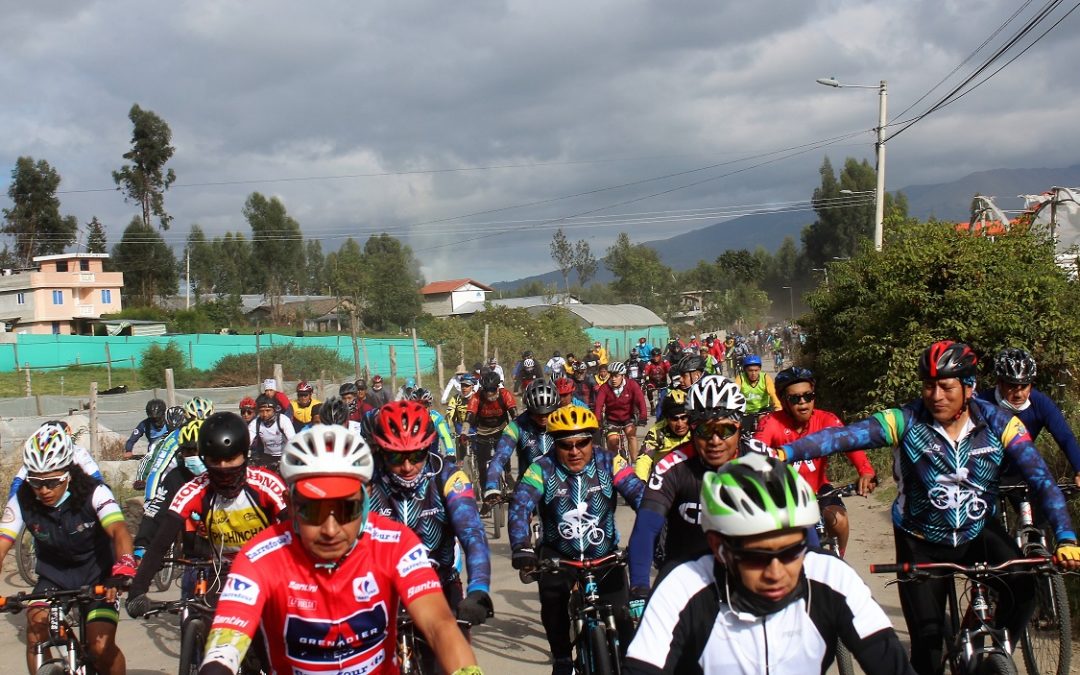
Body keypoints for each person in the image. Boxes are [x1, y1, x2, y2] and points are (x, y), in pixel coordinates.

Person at [778, 341, 1080, 674]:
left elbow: (1041, 478)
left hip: (977, 529)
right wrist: (786, 454)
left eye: (946, 387)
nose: (935, 395)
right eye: (928, 385)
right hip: (919, 538)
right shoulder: (905, 419)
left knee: (1024, 585)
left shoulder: (1000, 423)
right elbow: (842, 437)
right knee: (927, 651)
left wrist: (1066, 536)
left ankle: (992, 650)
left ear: (969, 388)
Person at [197, 424, 484, 675]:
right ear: (291, 503)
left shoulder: (397, 543)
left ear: (367, 499)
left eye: (347, 509)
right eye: (312, 510)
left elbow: (439, 624)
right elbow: (227, 639)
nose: (331, 529)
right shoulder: (259, 555)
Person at [624, 454, 915, 675]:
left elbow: (891, 662)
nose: (776, 572)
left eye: (792, 551)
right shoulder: (682, 585)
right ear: (718, 546)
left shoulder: (831, 576)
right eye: (755, 556)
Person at [509, 406, 644, 675]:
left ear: (592, 440)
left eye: (582, 443)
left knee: (624, 619)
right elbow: (519, 507)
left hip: (605, 557)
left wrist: (654, 534)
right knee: (553, 603)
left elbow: (641, 495)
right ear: (554, 444)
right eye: (565, 445)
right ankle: (561, 659)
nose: (574, 451)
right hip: (559, 557)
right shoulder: (541, 468)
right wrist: (521, 546)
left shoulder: (610, 462)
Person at [0, 423, 135, 675]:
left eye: (52, 482)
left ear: (68, 472)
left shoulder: (94, 492)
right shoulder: (23, 500)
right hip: (54, 577)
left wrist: (124, 565)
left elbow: (119, 530)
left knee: (100, 646)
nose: (43, 490)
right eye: (35, 482)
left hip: (99, 576)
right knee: (36, 631)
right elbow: (2, 544)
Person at [127, 412, 289, 620]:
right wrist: (137, 590)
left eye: (230, 459)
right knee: (203, 619)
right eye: (215, 460)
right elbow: (161, 540)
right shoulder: (194, 488)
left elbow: (296, 530)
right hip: (221, 570)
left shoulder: (267, 483)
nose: (222, 467)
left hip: (268, 568)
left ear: (244, 455)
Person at [627, 375, 773, 596]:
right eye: (704, 431)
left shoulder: (761, 458)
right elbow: (646, 528)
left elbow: (799, 522)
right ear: (692, 430)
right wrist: (639, 587)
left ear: (739, 427)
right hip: (686, 577)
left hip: (749, 575)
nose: (715, 441)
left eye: (725, 431)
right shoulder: (672, 466)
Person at [368, 401, 492, 653]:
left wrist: (478, 589)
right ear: (380, 451)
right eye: (395, 456)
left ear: (429, 447)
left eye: (417, 455)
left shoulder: (448, 476)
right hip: (379, 592)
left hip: (439, 585)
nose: (406, 466)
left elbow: (472, 534)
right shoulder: (367, 480)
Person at [754, 367, 877, 555]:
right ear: (783, 401)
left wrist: (866, 472)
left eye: (808, 396)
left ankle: (839, 558)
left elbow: (850, 442)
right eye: (795, 398)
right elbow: (756, 453)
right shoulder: (770, 422)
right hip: (784, 495)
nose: (803, 403)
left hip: (820, 488)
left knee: (839, 520)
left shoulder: (826, 419)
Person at [978, 347, 1080, 487]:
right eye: (1012, 386)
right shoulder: (982, 403)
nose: (1019, 394)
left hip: (1020, 473)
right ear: (1000, 383)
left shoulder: (1040, 403)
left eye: (1024, 386)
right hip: (984, 476)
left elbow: (1065, 437)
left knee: (1043, 507)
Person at [483, 380, 559, 504]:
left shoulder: (565, 421)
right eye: (538, 414)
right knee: (517, 518)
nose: (544, 417)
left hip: (561, 487)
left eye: (548, 413)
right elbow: (500, 457)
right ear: (529, 410)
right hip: (527, 487)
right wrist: (491, 485)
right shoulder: (517, 426)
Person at [10, 420, 103, 496]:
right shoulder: (37, 456)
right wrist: (15, 504)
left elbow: (97, 480)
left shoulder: (78, 453)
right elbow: (17, 483)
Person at [460, 371, 517, 489]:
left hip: (501, 430)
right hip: (482, 433)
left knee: (504, 456)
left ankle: (508, 474)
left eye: (492, 389)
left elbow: (515, 416)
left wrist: (520, 431)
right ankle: (485, 491)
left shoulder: (505, 395)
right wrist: (464, 433)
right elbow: (469, 417)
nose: (489, 393)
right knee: (481, 465)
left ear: (497, 387)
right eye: (486, 390)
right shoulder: (476, 397)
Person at [593, 360, 647, 462]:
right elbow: (598, 405)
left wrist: (643, 417)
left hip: (628, 417)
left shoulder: (632, 385)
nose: (613, 379)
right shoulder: (604, 388)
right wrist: (597, 420)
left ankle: (635, 462)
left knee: (631, 435)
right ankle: (615, 464)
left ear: (622, 375)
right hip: (612, 420)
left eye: (616, 376)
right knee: (612, 441)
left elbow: (641, 401)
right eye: (611, 376)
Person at [634, 389, 691, 480]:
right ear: (667, 419)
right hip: (664, 481)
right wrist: (640, 483)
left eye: (684, 418)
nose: (680, 424)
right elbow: (644, 458)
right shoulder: (657, 431)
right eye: (674, 419)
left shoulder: (696, 429)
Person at [247, 393, 296, 470]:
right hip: (267, 457)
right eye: (261, 411)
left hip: (285, 455)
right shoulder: (256, 422)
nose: (265, 414)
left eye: (268, 410)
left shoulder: (283, 420)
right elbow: (247, 440)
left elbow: (293, 440)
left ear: (274, 410)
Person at [409, 387, 458, 459]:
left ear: (430, 406)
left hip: (433, 455)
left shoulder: (436, 418)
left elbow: (445, 435)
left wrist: (450, 453)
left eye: (424, 406)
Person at [735, 354, 781, 428]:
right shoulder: (740, 378)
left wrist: (778, 407)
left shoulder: (766, 378)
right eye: (750, 370)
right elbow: (734, 393)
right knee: (741, 431)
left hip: (763, 410)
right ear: (745, 370)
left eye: (756, 370)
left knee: (766, 426)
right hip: (746, 412)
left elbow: (773, 394)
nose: (753, 373)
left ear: (760, 369)